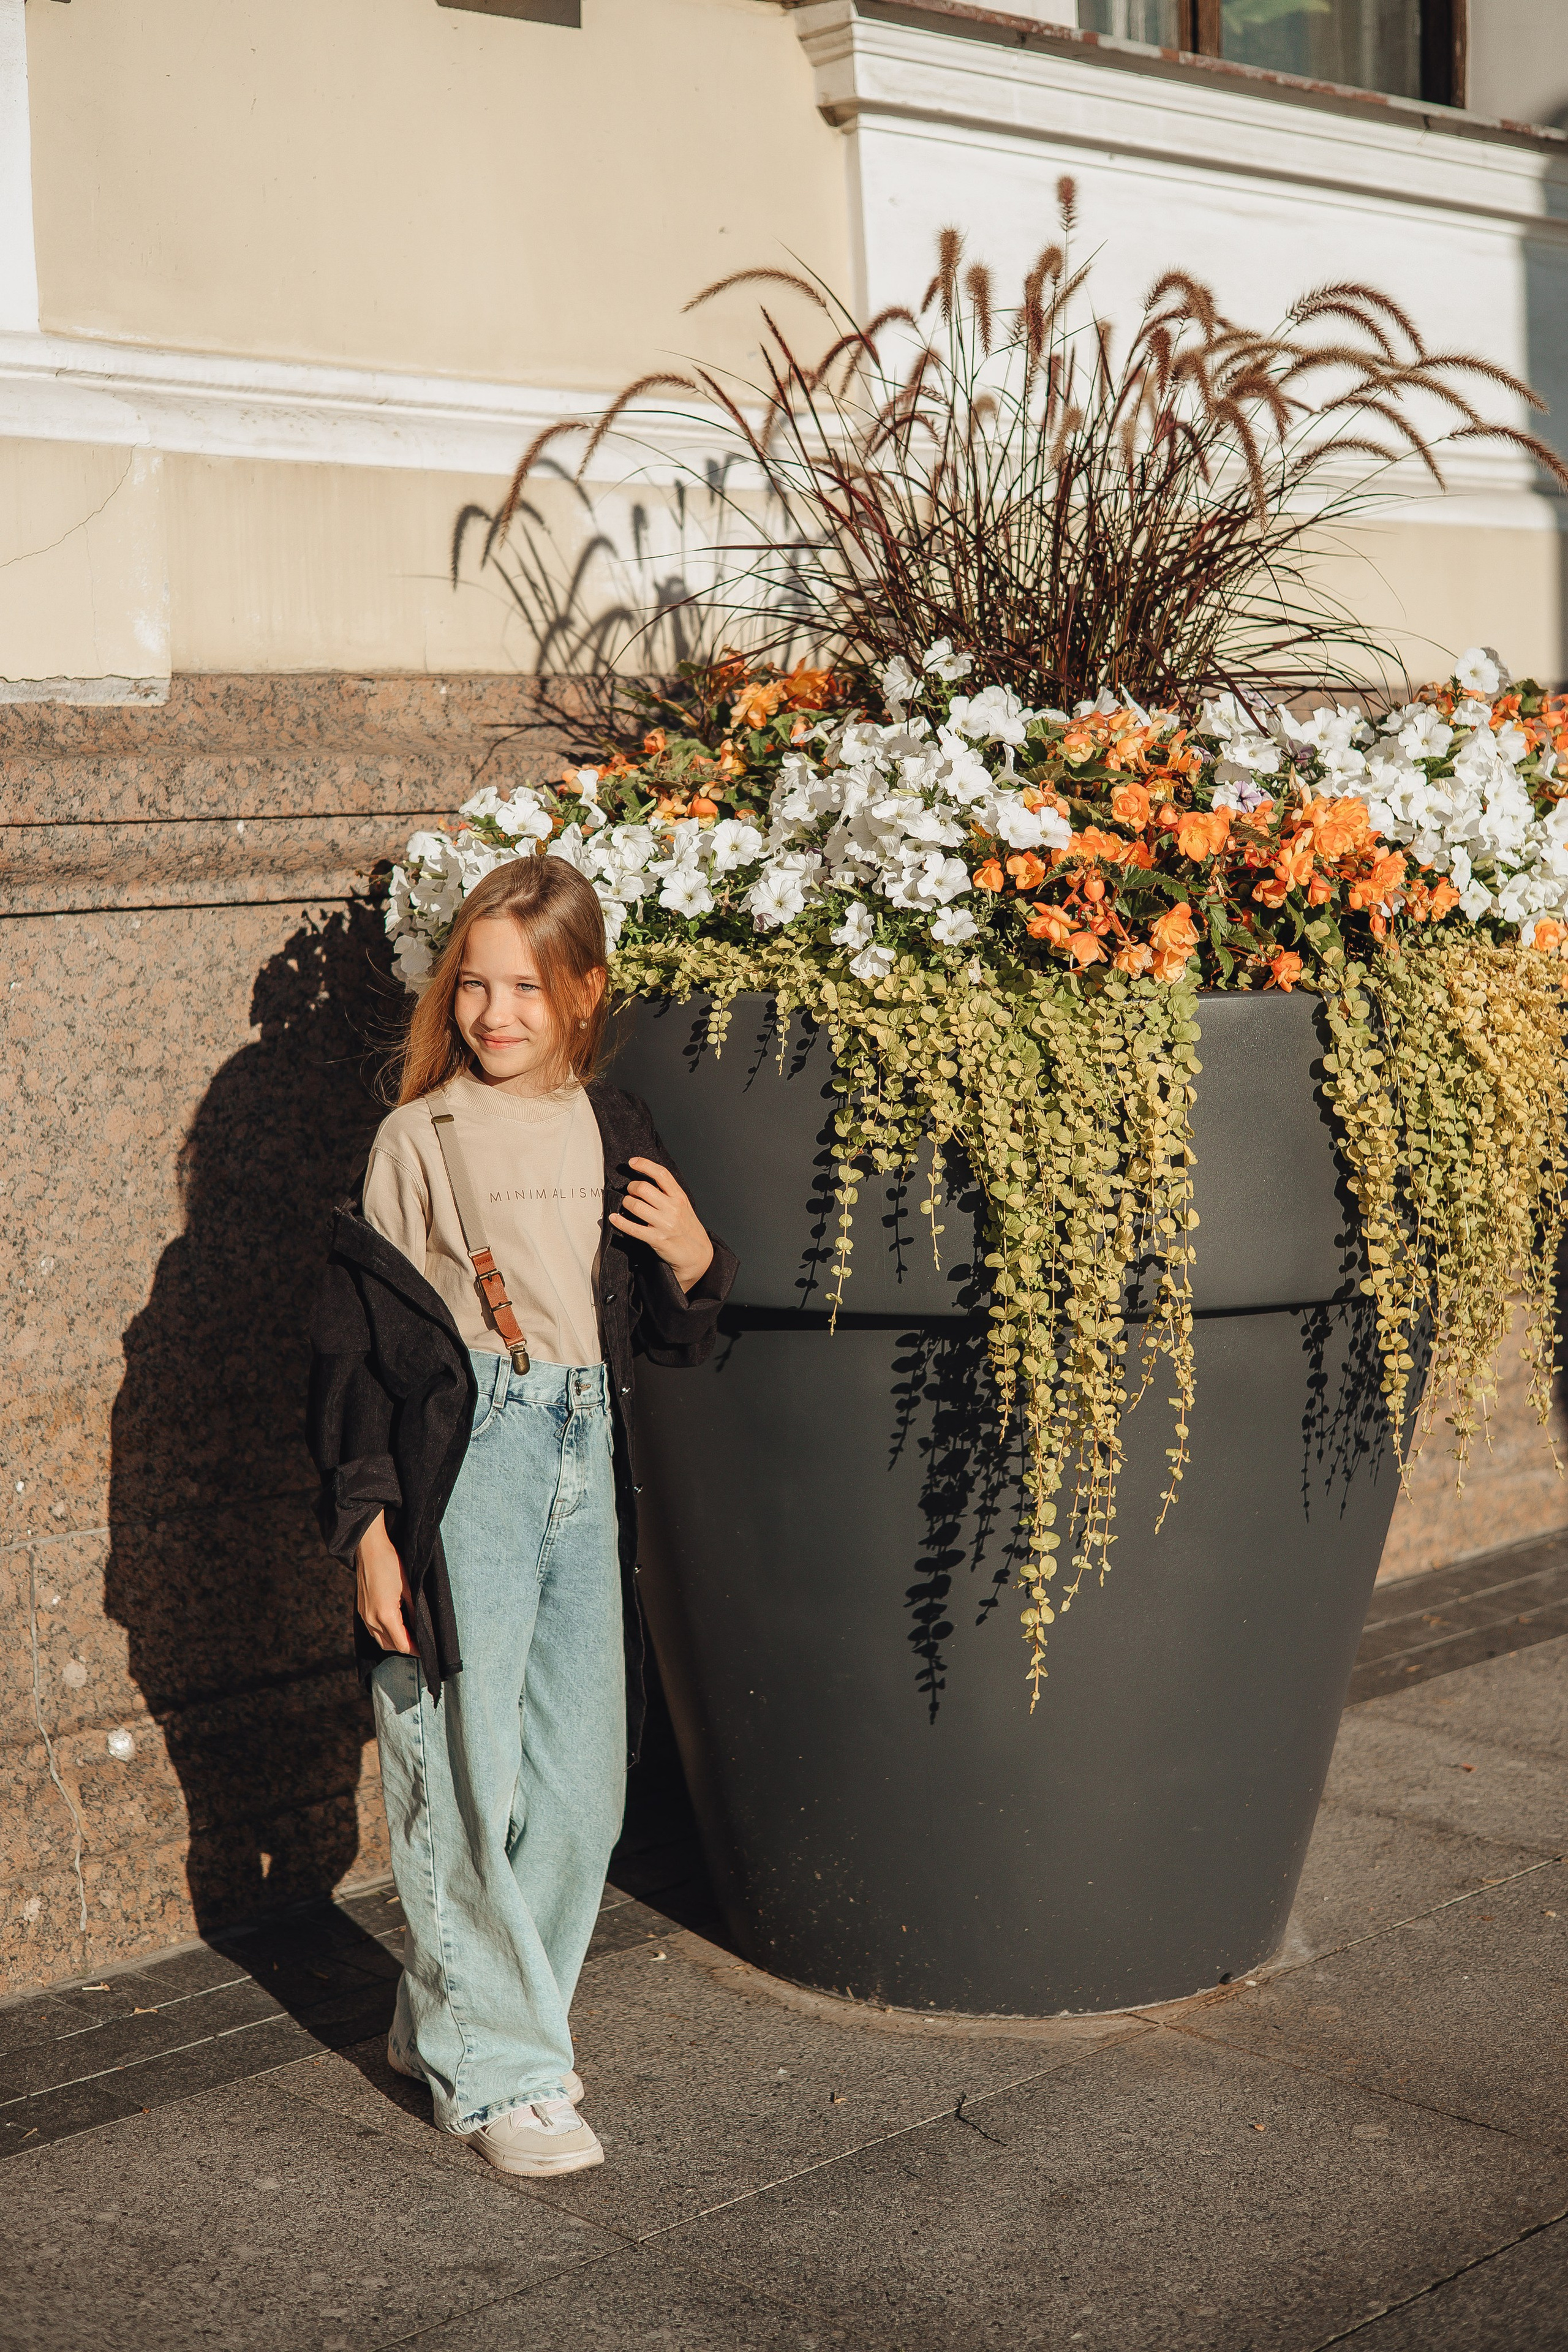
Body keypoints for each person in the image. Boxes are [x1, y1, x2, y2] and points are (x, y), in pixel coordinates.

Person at [306, 854, 735, 2177]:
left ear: (582, 992)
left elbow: (665, 1337)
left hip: (584, 1450)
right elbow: (355, 1356)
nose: (496, 1013)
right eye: (474, 985)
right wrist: (370, 1529)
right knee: (459, 1762)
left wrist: (695, 1262)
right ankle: (501, 2072)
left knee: (577, 1786)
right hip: (462, 1468)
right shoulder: (416, 1139)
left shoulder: (616, 1124)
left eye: (526, 988)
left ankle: (459, 2019)